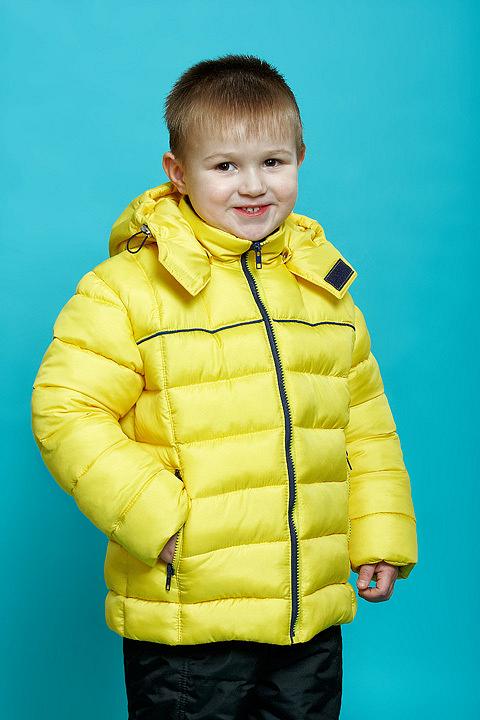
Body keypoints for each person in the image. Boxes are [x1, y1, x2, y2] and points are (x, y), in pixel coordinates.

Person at [31, 54, 418, 719]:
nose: (253, 185)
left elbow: (364, 423)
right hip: (190, 617)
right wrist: (156, 517)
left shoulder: (325, 291)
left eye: (273, 161)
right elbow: (66, 410)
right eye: (225, 166)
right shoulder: (127, 290)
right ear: (178, 173)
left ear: (300, 158)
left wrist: (378, 533)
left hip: (307, 613)